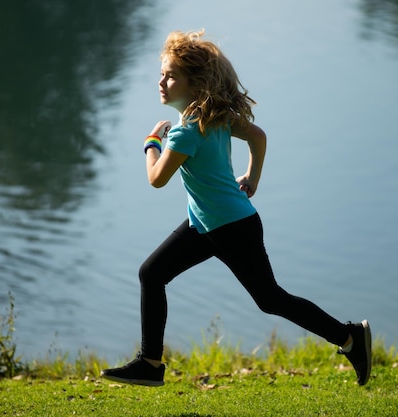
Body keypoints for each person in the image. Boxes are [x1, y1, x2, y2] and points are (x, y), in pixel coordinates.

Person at [101, 30, 372, 387]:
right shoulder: (216, 117)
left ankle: (350, 337)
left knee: (271, 299)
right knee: (152, 273)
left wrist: (151, 141)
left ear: (194, 84)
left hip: (230, 227)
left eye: (170, 76)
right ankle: (150, 363)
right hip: (207, 224)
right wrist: (252, 178)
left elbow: (156, 178)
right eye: (162, 73)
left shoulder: (185, 133)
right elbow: (258, 137)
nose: (161, 82)